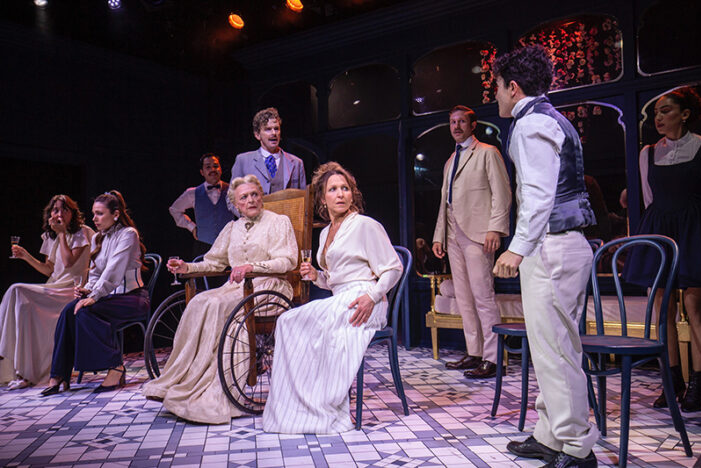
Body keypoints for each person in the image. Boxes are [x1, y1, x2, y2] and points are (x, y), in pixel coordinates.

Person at [492, 45, 598, 467]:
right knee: (552, 346)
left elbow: (537, 195)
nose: (495, 96)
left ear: (513, 87)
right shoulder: (550, 118)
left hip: (551, 245)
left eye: (497, 88)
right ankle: (550, 434)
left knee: (555, 349)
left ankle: (575, 447)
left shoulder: (532, 123)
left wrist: (517, 248)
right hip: (562, 244)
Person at [142, 175, 298, 424]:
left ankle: (217, 391)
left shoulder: (278, 222)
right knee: (198, 302)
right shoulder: (232, 228)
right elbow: (214, 262)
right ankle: (184, 380)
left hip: (270, 286)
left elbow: (287, 260)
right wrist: (186, 268)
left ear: (261, 196)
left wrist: (252, 266)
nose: (251, 200)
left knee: (216, 304)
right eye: (244, 197)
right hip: (237, 288)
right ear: (236, 205)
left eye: (255, 194)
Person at [263, 162, 402, 434]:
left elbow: (393, 268)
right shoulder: (326, 232)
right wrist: (316, 276)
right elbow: (335, 281)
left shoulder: (364, 225)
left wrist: (372, 296)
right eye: (333, 189)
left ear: (353, 194)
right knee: (288, 321)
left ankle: (324, 405)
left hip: (365, 300)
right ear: (322, 198)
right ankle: (297, 405)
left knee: (310, 321)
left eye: (345, 189)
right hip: (342, 297)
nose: (340, 194)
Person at [624, 86, 701, 411]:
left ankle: (699, 383)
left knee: (696, 307)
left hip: (694, 228)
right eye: (656, 111)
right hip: (659, 229)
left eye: (666, 110)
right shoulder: (647, 153)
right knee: (662, 307)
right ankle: (672, 381)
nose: (658, 116)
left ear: (685, 114)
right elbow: (647, 199)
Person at [41, 191, 150, 396]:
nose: (94, 219)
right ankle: (59, 374)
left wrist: (94, 296)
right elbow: (97, 272)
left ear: (115, 214)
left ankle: (115, 367)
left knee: (85, 312)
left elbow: (113, 271)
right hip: (108, 297)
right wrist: (87, 289)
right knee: (68, 311)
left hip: (132, 297)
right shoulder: (99, 237)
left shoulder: (128, 234)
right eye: (93, 213)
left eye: (99, 214)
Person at [432, 105, 511, 378]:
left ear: (472, 125)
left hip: (478, 233)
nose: (456, 126)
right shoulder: (448, 162)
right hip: (453, 234)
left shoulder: (488, 153)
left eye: (461, 121)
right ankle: (475, 352)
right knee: (464, 298)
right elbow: (445, 202)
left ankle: (493, 358)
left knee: (483, 296)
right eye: (452, 122)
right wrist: (438, 236)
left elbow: (502, 194)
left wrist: (495, 230)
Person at [0, 195, 94, 389]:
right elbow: (48, 270)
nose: (59, 214)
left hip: (71, 289)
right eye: (55, 210)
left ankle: (19, 361)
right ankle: (23, 371)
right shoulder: (50, 236)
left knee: (17, 290)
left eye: (64, 210)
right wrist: (26, 256)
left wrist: (61, 234)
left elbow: (69, 262)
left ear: (72, 213)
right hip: (54, 286)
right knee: (21, 302)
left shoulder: (81, 233)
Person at [169, 153, 235, 258]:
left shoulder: (233, 190)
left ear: (221, 169)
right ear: (202, 172)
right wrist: (192, 227)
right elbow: (174, 209)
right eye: (208, 167)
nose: (213, 169)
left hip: (229, 246)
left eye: (216, 166)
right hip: (204, 246)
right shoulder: (192, 193)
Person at [230, 108, 306, 196]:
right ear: (257, 135)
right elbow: (231, 198)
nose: (274, 133)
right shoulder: (243, 161)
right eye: (268, 129)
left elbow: (302, 198)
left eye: (276, 129)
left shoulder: (296, 163)